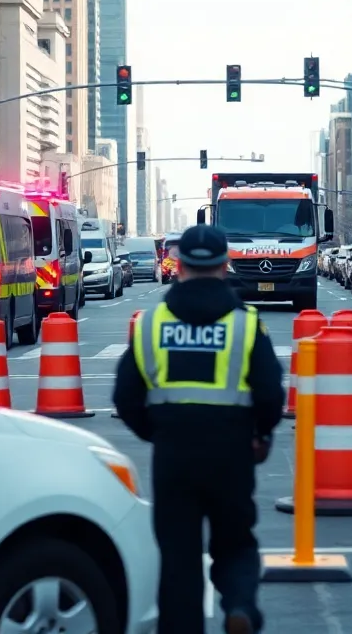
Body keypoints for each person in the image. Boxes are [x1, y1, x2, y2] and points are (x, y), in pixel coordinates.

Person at [111, 223, 284, 634]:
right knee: (235, 541)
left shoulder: (151, 324)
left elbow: (125, 397)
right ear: (225, 266)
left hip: (173, 452)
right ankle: (240, 606)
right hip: (232, 449)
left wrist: (158, 433)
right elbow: (270, 393)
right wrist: (260, 434)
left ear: (180, 266)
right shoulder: (246, 323)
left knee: (178, 557)